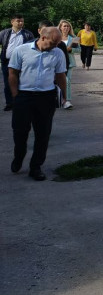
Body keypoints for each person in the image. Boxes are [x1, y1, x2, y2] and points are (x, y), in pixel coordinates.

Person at [9, 27, 67, 181]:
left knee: (43, 134)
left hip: (46, 98)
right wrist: (15, 95)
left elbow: (60, 76)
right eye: (53, 43)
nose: (55, 46)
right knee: (20, 131)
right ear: (42, 37)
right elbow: (12, 73)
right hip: (24, 96)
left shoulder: (58, 53)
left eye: (58, 43)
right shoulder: (21, 51)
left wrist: (64, 96)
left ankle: (36, 167)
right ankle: (19, 156)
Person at [0, 15, 35, 111]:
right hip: (7, 62)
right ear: (12, 22)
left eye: (22, 21)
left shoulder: (28, 34)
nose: (21, 23)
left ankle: (21, 103)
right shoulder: (4, 33)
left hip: (23, 62)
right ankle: (9, 103)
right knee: (8, 83)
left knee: (22, 82)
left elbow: (32, 47)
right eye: (18, 21)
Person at [58, 19, 79, 109]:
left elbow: (78, 50)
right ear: (60, 27)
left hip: (69, 63)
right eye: (64, 26)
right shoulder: (56, 37)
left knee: (67, 81)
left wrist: (71, 49)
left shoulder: (74, 38)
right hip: (57, 63)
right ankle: (58, 99)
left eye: (68, 26)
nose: (66, 28)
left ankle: (67, 100)